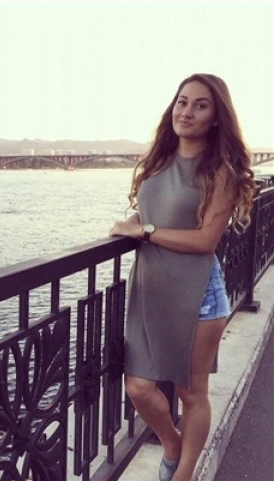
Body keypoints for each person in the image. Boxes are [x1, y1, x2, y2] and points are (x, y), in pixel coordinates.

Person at [109, 73, 255, 481]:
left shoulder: (221, 172)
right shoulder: (159, 160)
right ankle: (172, 443)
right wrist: (136, 221)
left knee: (192, 392)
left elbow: (206, 240)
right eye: (182, 102)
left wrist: (146, 232)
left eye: (200, 105)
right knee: (139, 387)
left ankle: (183, 473)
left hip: (199, 296)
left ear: (216, 117)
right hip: (151, 292)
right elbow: (156, 211)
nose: (187, 112)